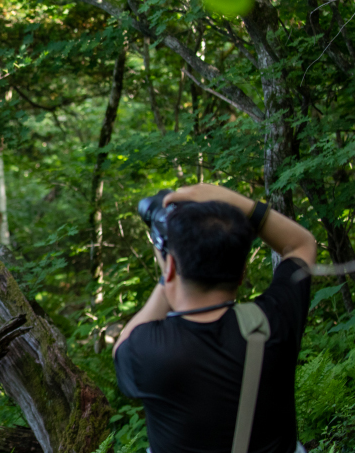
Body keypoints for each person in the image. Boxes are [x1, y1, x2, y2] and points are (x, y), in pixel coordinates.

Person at [113, 183, 317, 453]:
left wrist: (168, 274)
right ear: (242, 273)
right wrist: (239, 203)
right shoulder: (273, 322)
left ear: (171, 267)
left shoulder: (147, 350)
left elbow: (121, 346)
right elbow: (301, 245)